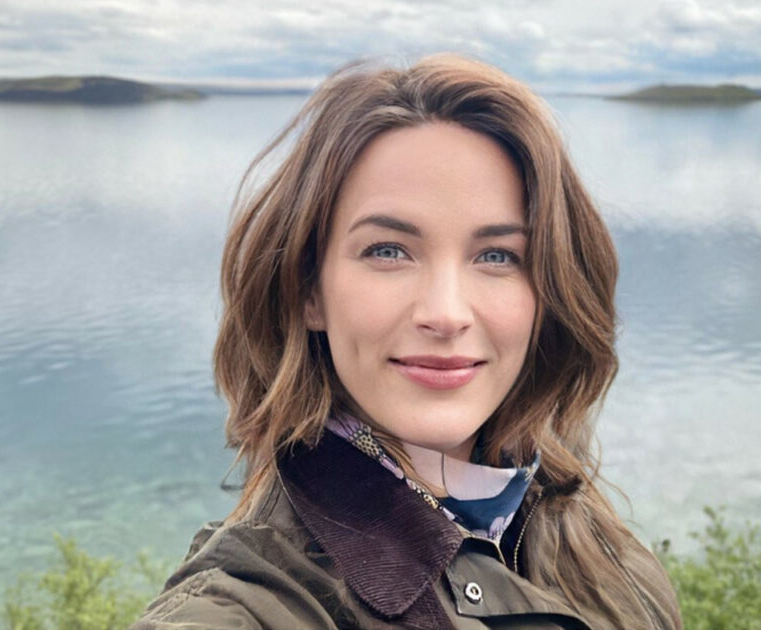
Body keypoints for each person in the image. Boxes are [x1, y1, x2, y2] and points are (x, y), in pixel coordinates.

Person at [132, 54, 682, 630]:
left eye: (497, 256)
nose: (445, 314)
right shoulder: (253, 604)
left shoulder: (574, 521)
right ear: (307, 292)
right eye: (388, 251)